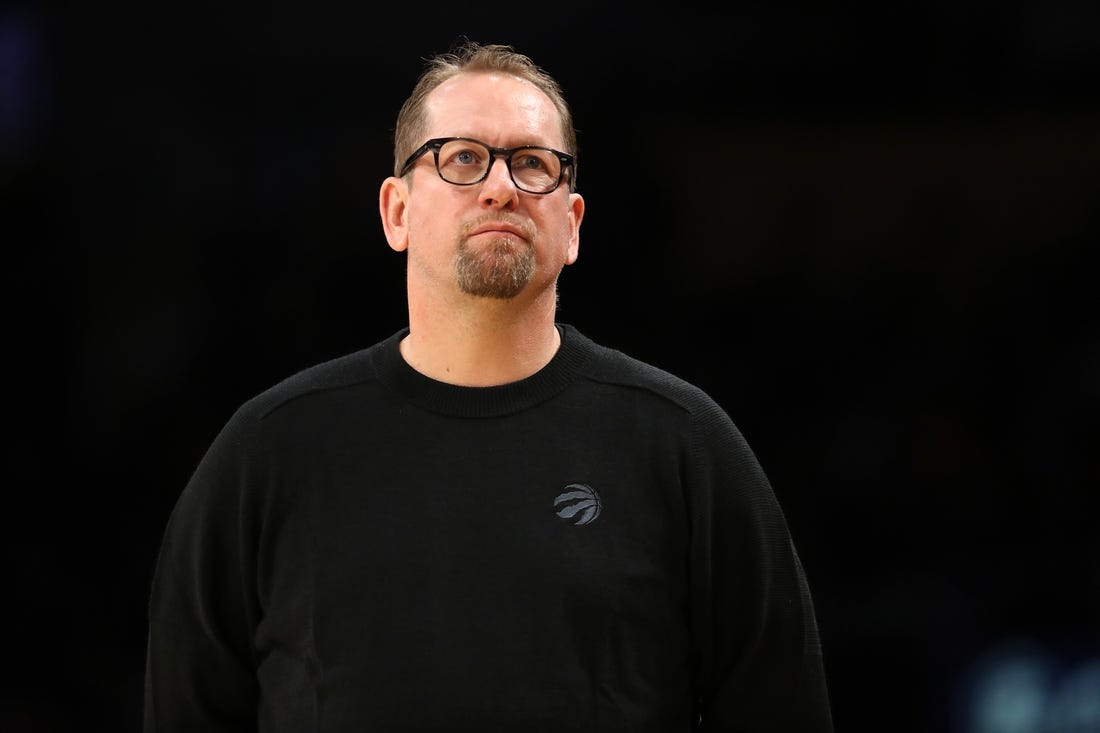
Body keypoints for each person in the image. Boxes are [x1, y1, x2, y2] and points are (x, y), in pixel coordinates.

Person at [143, 40, 834, 732]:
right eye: (463, 157)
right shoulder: (269, 453)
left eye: (532, 163)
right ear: (396, 211)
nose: (501, 186)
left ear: (572, 225)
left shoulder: (683, 445)